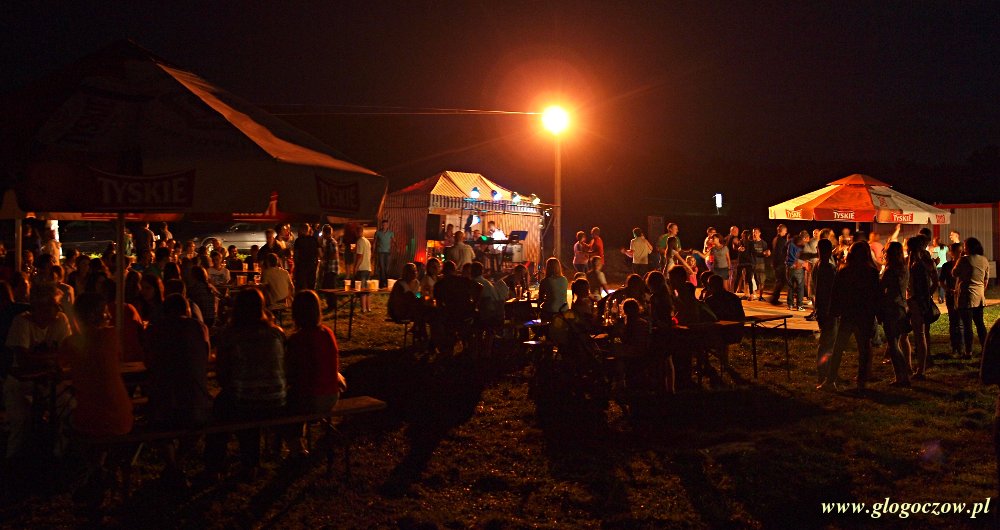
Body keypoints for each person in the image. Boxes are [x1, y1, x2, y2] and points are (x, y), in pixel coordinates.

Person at [205, 288, 287, 478]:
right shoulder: (276, 333)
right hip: (277, 400)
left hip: (246, 400)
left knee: (223, 407)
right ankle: (251, 463)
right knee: (244, 401)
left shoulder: (230, 334)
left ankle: (215, 466)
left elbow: (222, 374)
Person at [3, 284, 73, 457]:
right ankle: (12, 460)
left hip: (48, 380)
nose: (59, 308)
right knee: (21, 422)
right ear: (40, 306)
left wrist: (38, 357)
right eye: (55, 304)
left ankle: (58, 455)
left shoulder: (61, 320)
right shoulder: (21, 322)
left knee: (69, 407)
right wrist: (53, 356)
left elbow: (68, 352)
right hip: (20, 382)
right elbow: (23, 359)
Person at [283, 291, 346, 455]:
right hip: (331, 395)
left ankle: (296, 446)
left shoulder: (298, 339)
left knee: (285, 404)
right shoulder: (327, 333)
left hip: (312, 398)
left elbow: (291, 373)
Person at [62, 293, 134, 438]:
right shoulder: (112, 335)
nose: (109, 316)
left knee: (63, 416)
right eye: (106, 312)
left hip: (90, 420)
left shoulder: (71, 342)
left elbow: (57, 365)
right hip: (122, 419)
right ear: (94, 316)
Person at [820, 242, 879, 395]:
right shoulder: (871, 272)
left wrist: (833, 312)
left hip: (849, 314)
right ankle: (861, 382)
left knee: (839, 348)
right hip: (864, 315)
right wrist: (877, 314)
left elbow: (836, 294)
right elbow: (876, 296)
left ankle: (830, 380)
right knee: (863, 350)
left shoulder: (845, 271)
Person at [877, 242, 912, 387]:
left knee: (893, 345)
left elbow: (881, 288)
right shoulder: (904, 268)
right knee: (896, 342)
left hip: (891, 308)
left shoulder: (890, 270)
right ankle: (904, 374)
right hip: (902, 307)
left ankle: (901, 377)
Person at [954, 237, 990, 357]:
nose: (964, 249)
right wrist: (981, 290)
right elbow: (986, 280)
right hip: (979, 296)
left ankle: (968, 351)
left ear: (969, 247)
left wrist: (960, 258)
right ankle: (985, 349)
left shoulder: (964, 260)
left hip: (966, 296)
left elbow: (954, 273)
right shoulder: (984, 260)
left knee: (967, 325)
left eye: (965, 246)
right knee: (980, 324)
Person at [907, 236, 937, 379]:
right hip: (916, 300)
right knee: (919, 334)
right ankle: (918, 366)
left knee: (920, 335)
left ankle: (921, 369)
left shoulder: (918, 264)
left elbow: (923, 285)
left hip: (917, 301)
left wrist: (923, 298)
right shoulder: (919, 262)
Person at [813, 239, 839, 384]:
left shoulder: (817, 265)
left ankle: (824, 371)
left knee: (825, 341)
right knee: (827, 343)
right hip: (829, 309)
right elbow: (834, 290)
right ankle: (824, 373)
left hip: (821, 308)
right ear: (829, 251)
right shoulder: (829, 268)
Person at [940, 243, 964, 357]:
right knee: (953, 322)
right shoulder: (946, 266)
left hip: (961, 295)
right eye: (957, 251)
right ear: (951, 253)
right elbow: (941, 281)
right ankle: (955, 347)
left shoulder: (964, 264)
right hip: (951, 295)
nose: (960, 254)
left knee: (960, 322)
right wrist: (948, 289)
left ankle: (961, 348)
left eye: (961, 251)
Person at [292, 223, 320, 292]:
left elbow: (296, 256)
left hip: (301, 268)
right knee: (311, 288)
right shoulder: (314, 239)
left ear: (301, 230)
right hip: (312, 267)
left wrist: (296, 267)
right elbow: (320, 253)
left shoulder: (298, 241)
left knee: (301, 289)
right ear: (308, 230)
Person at [785, 232, 807, 310]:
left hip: (789, 267)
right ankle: (799, 305)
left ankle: (790, 305)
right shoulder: (801, 247)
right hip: (798, 267)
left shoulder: (790, 244)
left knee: (790, 286)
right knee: (800, 287)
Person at [768, 224, 789, 306]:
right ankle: (774, 298)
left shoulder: (775, 239)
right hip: (780, 263)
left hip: (776, 263)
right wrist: (783, 261)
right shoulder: (781, 240)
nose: (786, 232)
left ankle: (774, 298)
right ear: (782, 230)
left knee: (779, 281)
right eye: (785, 230)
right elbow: (780, 253)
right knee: (781, 281)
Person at [354, 230, 373, 313]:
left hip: (362, 268)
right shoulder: (367, 241)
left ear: (359, 232)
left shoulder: (360, 241)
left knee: (362, 289)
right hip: (368, 268)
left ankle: (363, 309)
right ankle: (368, 308)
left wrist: (355, 268)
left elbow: (360, 256)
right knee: (367, 289)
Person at [374, 220, 393, 288]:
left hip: (387, 252)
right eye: (383, 225)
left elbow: (393, 240)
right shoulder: (378, 232)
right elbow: (375, 241)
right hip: (380, 252)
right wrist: (373, 250)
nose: (384, 226)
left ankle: (386, 282)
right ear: (382, 225)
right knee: (382, 267)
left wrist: (397, 247)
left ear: (388, 225)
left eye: (386, 225)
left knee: (387, 268)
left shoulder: (390, 233)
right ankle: (382, 282)